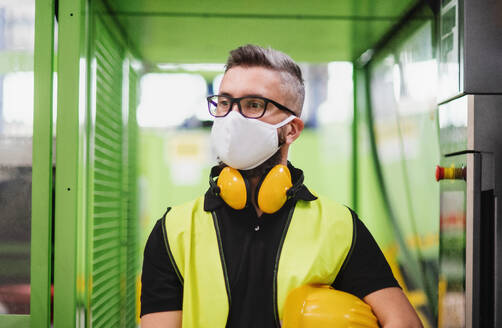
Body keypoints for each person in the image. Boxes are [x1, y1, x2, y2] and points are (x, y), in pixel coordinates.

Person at [140, 44, 423, 328]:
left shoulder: (338, 227)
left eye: (253, 105)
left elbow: (404, 322)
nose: (232, 118)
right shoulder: (173, 231)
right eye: (224, 103)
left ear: (292, 129)